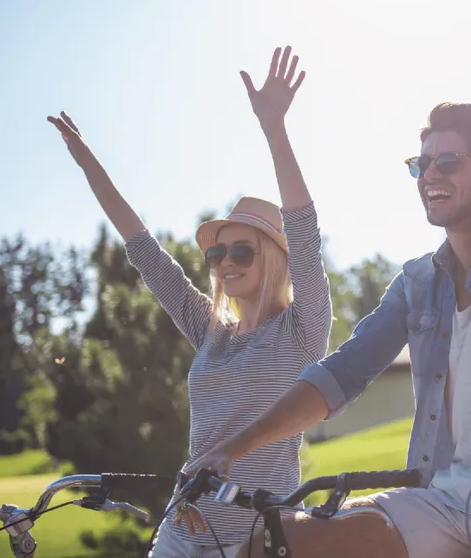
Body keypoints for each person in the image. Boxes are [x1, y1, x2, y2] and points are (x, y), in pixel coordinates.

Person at [183, 0, 471, 557]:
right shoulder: (419, 284)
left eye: (449, 160)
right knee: (275, 547)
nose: (431, 173)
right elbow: (340, 375)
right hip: (442, 495)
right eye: (422, 163)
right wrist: (231, 447)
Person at [47, 45, 332, 557]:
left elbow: (305, 234)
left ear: (276, 258)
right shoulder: (210, 330)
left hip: (260, 535)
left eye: (241, 249)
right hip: (186, 525)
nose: (225, 261)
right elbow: (145, 253)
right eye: (218, 253)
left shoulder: (301, 329)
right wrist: (89, 164)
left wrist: (274, 129)